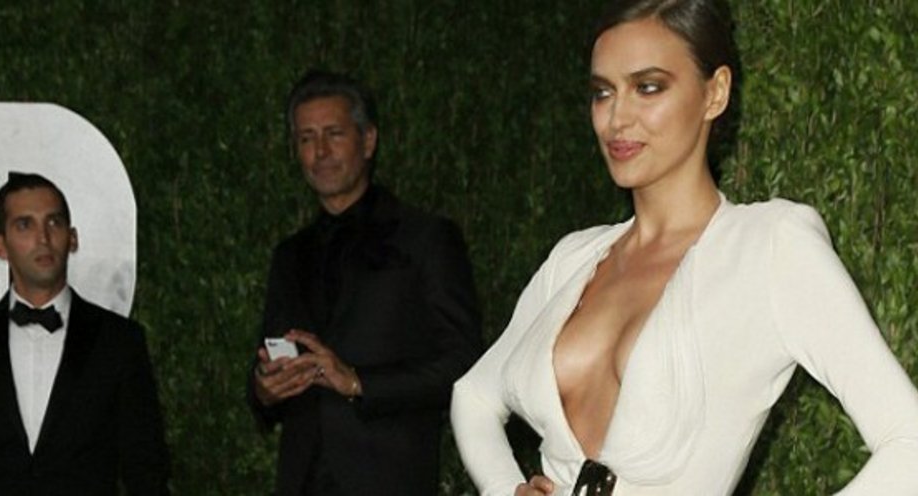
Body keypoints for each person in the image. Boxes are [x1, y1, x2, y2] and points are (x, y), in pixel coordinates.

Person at [450, 1, 918, 495]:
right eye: (603, 92)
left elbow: (909, 444)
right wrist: (504, 488)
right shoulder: (573, 259)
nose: (616, 118)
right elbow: (473, 396)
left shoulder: (769, 247)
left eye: (648, 87)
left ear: (715, 93)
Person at [247, 70, 483, 496]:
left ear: (368, 140)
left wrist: (358, 382)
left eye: (334, 134)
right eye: (306, 138)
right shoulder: (289, 255)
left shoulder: (426, 239)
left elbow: (463, 364)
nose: (320, 151)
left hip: (389, 479)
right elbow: (269, 360)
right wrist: (264, 389)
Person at [0, 172, 170, 495]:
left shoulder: (119, 342)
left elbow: (146, 472)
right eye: (24, 225)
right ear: (0, 245)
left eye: (53, 222)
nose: (42, 238)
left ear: (72, 237)